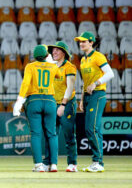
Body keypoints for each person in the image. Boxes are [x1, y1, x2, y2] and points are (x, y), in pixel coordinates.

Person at [13, 45, 61, 172]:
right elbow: (59, 76)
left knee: (35, 134)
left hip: (34, 100)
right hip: (50, 100)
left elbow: (25, 83)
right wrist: (50, 62)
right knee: (52, 134)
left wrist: (19, 101)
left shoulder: (30, 66)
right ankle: (54, 164)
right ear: (46, 55)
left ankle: (39, 165)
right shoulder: (53, 66)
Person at [74, 31, 114, 172]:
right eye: (80, 41)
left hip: (98, 95)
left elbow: (110, 73)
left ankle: (98, 162)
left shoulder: (98, 56)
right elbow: (86, 83)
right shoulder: (83, 60)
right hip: (88, 96)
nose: (81, 43)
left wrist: (96, 83)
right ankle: (97, 162)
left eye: (84, 41)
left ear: (91, 42)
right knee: (92, 129)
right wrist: (82, 99)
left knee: (91, 128)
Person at [43, 41, 78, 172]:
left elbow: (70, 88)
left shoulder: (70, 67)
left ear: (64, 53)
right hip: (53, 104)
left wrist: (63, 104)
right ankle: (48, 163)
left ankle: (72, 163)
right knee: (50, 134)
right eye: (53, 50)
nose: (54, 52)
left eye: (57, 50)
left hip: (67, 104)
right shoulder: (51, 66)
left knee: (69, 133)